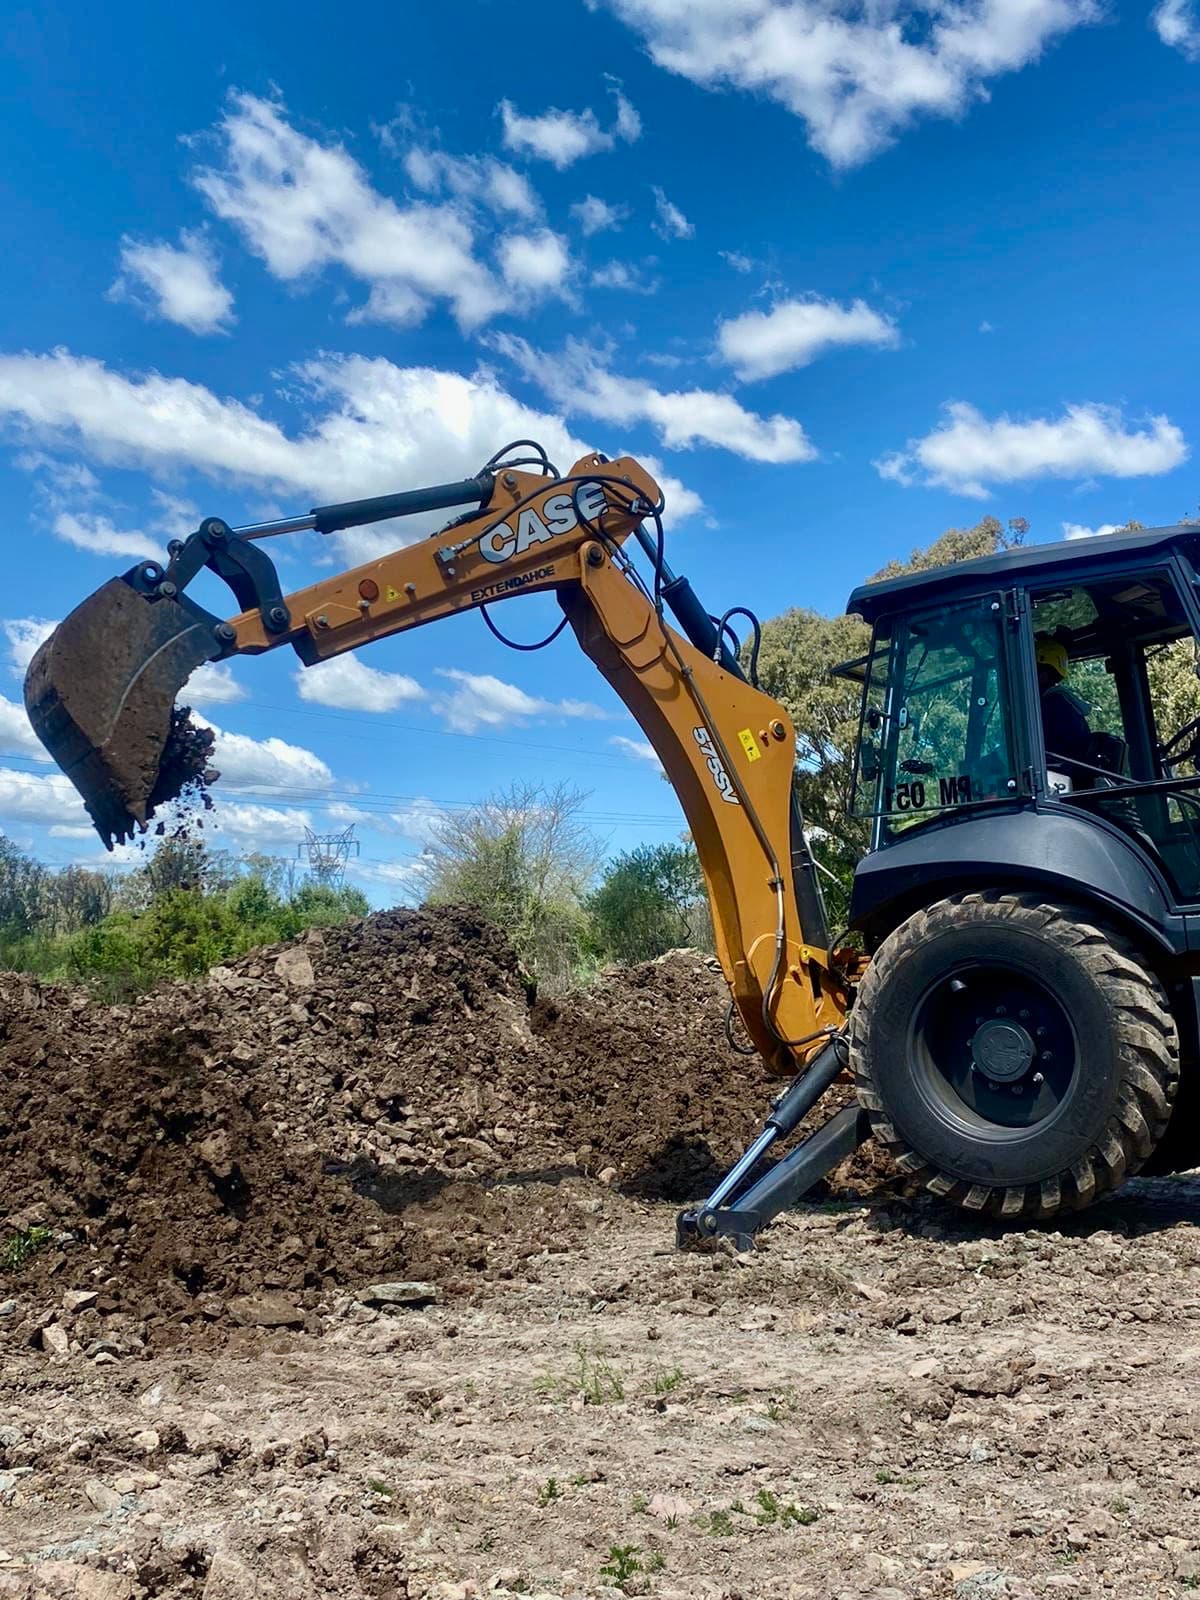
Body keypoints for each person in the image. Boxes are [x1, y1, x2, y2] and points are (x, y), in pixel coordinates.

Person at [1036, 636, 1092, 782]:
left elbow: (1025, 752)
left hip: (1057, 787)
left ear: (1043, 676)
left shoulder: (1050, 708)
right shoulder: (1065, 706)